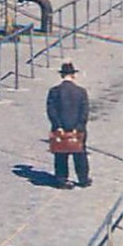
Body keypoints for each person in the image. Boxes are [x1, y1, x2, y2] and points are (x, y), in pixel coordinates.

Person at [47, 61, 91, 189]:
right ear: (73, 75)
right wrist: (79, 127)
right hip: (77, 129)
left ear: (62, 75)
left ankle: (62, 179)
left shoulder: (54, 91)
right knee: (80, 154)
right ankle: (83, 179)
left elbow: (51, 110)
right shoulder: (81, 92)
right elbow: (84, 112)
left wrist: (58, 125)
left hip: (60, 128)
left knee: (60, 155)